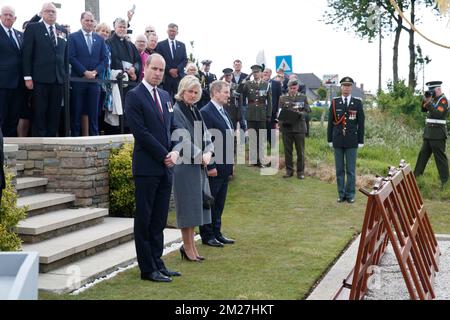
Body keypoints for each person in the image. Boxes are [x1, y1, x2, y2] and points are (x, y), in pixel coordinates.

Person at [125, 53, 181, 283]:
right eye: (154, 69)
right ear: (145, 68)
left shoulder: (167, 96)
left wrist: (176, 150)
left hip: (166, 167)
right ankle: (147, 268)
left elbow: (174, 127)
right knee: (145, 219)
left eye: (161, 70)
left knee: (159, 219)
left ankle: (158, 262)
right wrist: (164, 154)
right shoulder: (134, 96)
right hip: (148, 167)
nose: (158, 73)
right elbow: (141, 133)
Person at [172, 75, 214, 261]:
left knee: (196, 209)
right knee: (187, 209)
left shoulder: (195, 110)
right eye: (190, 91)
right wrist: (199, 155)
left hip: (199, 165)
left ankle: (191, 247)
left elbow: (206, 136)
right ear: (182, 91)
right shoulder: (177, 110)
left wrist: (208, 153)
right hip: (184, 166)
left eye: (196, 92)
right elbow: (182, 138)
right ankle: (187, 249)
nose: (193, 95)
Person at [22, 2, 68, 137]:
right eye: (48, 11)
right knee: (39, 112)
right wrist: (27, 77)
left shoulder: (62, 31)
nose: (51, 13)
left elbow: (65, 56)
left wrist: (64, 75)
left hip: (58, 79)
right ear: (42, 13)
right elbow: (27, 54)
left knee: (54, 112)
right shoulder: (33, 28)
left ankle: (51, 138)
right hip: (39, 79)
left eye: (53, 11)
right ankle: (40, 139)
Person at [199, 80, 236, 247]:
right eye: (226, 92)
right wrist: (211, 165)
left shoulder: (223, 111)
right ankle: (207, 235)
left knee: (220, 202)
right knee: (210, 201)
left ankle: (217, 232)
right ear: (215, 93)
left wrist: (231, 163)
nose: (229, 95)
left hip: (225, 164)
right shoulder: (206, 112)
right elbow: (205, 141)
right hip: (214, 166)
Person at [68, 12, 108, 137]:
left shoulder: (100, 39)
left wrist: (95, 72)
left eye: (91, 21)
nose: (89, 23)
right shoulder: (73, 37)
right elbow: (71, 57)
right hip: (79, 80)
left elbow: (105, 59)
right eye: (87, 20)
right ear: (81, 21)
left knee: (94, 113)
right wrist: (84, 72)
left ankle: (95, 137)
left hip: (94, 81)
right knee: (77, 112)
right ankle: (75, 138)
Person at [327, 77, 365, 203]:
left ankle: (350, 195)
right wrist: (329, 139)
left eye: (349, 85)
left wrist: (360, 141)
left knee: (350, 170)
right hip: (337, 140)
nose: (346, 88)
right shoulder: (334, 102)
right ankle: (341, 194)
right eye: (344, 85)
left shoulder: (357, 103)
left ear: (351, 87)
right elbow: (330, 124)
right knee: (339, 169)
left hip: (351, 140)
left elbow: (361, 123)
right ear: (341, 87)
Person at [106, 17, 141, 134]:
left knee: (129, 113)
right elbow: (111, 60)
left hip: (129, 84)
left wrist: (134, 70)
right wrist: (124, 70)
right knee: (117, 116)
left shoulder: (131, 45)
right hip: (117, 83)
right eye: (120, 27)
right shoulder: (109, 42)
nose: (122, 29)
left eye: (124, 27)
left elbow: (138, 61)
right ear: (115, 28)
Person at [414, 81, 449, 189]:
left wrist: (429, 102)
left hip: (438, 134)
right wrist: (425, 99)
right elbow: (423, 109)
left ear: (438, 89)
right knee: (422, 156)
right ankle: (415, 179)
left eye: (432, 91)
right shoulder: (433, 100)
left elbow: (438, 114)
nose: (431, 93)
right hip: (428, 133)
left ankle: (445, 182)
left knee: (440, 159)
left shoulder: (443, 100)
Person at [237, 64, 272, 167]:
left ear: (261, 73)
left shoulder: (266, 84)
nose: (256, 74)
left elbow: (269, 101)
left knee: (261, 137)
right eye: (254, 72)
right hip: (251, 113)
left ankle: (261, 160)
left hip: (262, 113)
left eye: (257, 72)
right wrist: (243, 82)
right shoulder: (248, 84)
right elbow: (239, 92)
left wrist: (269, 114)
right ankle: (253, 160)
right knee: (252, 136)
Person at [277, 79, 311, 179]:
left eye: (294, 88)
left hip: (299, 127)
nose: (293, 90)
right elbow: (279, 112)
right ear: (288, 88)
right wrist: (280, 124)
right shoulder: (282, 98)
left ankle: (300, 172)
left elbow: (308, 110)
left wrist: (301, 114)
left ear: (297, 88)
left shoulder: (303, 97)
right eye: (291, 88)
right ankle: (289, 171)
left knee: (300, 151)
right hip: (287, 128)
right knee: (288, 151)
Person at [0, 5, 23, 137]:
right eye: (5, 14)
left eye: (11, 15)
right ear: (0, 16)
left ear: (15, 18)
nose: (8, 17)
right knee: (2, 116)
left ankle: (11, 146)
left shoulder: (19, 34)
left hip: (18, 83)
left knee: (14, 116)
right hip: (2, 83)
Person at [155, 23, 188, 98]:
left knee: (180, 98)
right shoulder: (160, 45)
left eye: (174, 31)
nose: (172, 33)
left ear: (177, 32)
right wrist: (169, 70)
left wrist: (177, 70)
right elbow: (159, 60)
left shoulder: (182, 45)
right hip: (166, 77)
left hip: (178, 77)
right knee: (165, 98)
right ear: (167, 31)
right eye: (170, 31)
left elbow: (185, 60)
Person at [263, 68, 282, 147]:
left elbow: (279, 97)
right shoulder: (260, 83)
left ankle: (272, 144)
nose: (265, 74)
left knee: (271, 127)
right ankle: (263, 144)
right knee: (263, 127)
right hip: (262, 109)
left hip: (273, 109)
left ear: (270, 73)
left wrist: (278, 110)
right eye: (264, 72)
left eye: (267, 72)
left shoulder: (276, 83)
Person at [232, 59, 248, 132]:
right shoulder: (230, 75)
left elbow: (247, 89)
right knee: (232, 123)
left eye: (239, 64)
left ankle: (245, 141)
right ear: (233, 66)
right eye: (236, 64)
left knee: (243, 123)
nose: (237, 66)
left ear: (241, 66)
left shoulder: (246, 76)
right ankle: (232, 141)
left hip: (243, 102)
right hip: (232, 103)